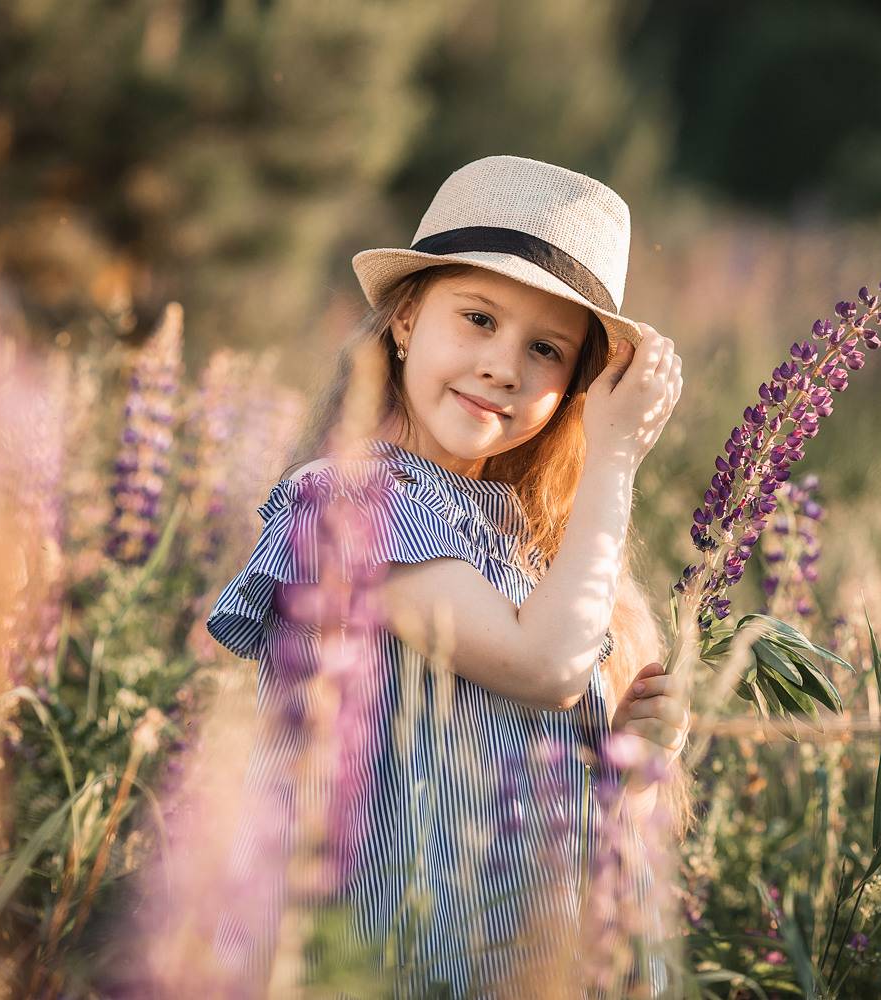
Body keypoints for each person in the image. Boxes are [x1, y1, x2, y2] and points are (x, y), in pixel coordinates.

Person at [205, 154, 689, 997]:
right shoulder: (350, 507)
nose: (505, 365)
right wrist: (615, 455)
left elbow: (570, 819)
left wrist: (637, 768)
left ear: (574, 387)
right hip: (360, 962)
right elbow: (543, 668)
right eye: (477, 318)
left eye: (546, 349)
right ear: (404, 322)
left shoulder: (541, 559)